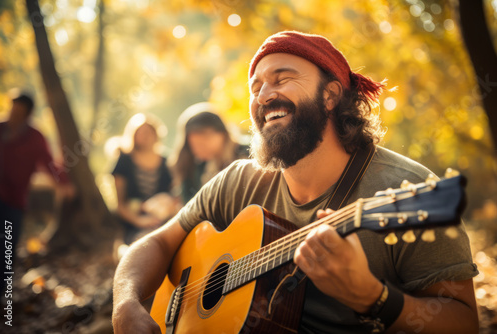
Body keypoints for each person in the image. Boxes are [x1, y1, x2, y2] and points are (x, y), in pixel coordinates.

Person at [112, 31, 478, 333]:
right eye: (255, 87)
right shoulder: (240, 182)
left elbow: (464, 323)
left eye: (282, 79)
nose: (264, 95)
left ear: (331, 94)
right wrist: (126, 303)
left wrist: (376, 299)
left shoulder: (404, 189)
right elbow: (157, 243)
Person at [0, 92, 73, 297]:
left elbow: (48, 163)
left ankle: (1, 293)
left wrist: (64, 183)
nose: (14, 114)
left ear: (28, 114)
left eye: (20, 111)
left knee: (6, 247)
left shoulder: (34, 137)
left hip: (15, 201)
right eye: (13, 108)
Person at [112, 113, 178, 245]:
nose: (145, 136)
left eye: (148, 132)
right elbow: (120, 205)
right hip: (134, 226)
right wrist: (140, 221)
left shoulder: (168, 162)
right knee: (147, 245)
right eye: (140, 133)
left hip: (165, 222)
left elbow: (176, 196)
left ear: (156, 135)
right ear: (133, 136)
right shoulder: (124, 162)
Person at [168, 102, 248, 203]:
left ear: (221, 134)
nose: (197, 151)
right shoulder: (199, 169)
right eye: (193, 146)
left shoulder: (248, 153)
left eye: (202, 144)